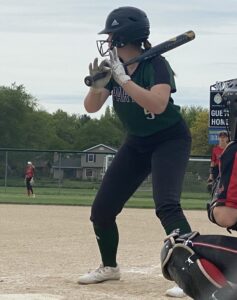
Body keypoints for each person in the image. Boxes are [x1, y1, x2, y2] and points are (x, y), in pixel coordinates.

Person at [78, 6, 192, 293]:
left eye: (112, 35)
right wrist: (98, 86)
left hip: (169, 139)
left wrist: (124, 80)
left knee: (167, 205)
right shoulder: (113, 67)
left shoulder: (156, 65)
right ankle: (110, 267)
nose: (108, 41)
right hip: (137, 141)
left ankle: (192, 273)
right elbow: (91, 108)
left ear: (123, 36)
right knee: (102, 209)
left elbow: (157, 104)